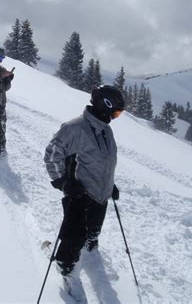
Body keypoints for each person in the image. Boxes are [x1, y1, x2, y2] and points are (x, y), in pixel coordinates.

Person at [44, 85, 124, 280]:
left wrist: (109, 184)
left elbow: (105, 161)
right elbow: (52, 154)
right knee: (74, 237)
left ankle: (89, 252)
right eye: (116, 112)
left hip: (101, 193)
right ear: (104, 106)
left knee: (93, 232)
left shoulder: (106, 130)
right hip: (80, 194)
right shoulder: (75, 128)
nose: (116, 117)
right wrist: (63, 182)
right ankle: (65, 267)